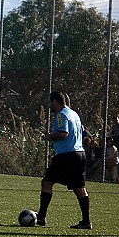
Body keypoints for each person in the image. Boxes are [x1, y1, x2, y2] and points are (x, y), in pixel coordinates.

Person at [37, 91, 91, 229]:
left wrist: (50, 136)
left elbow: (63, 133)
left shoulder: (61, 115)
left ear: (55, 102)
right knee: (80, 189)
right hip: (80, 154)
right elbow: (82, 130)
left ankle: (41, 217)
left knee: (47, 182)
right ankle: (86, 222)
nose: (49, 106)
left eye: (50, 103)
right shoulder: (74, 114)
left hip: (66, 155)